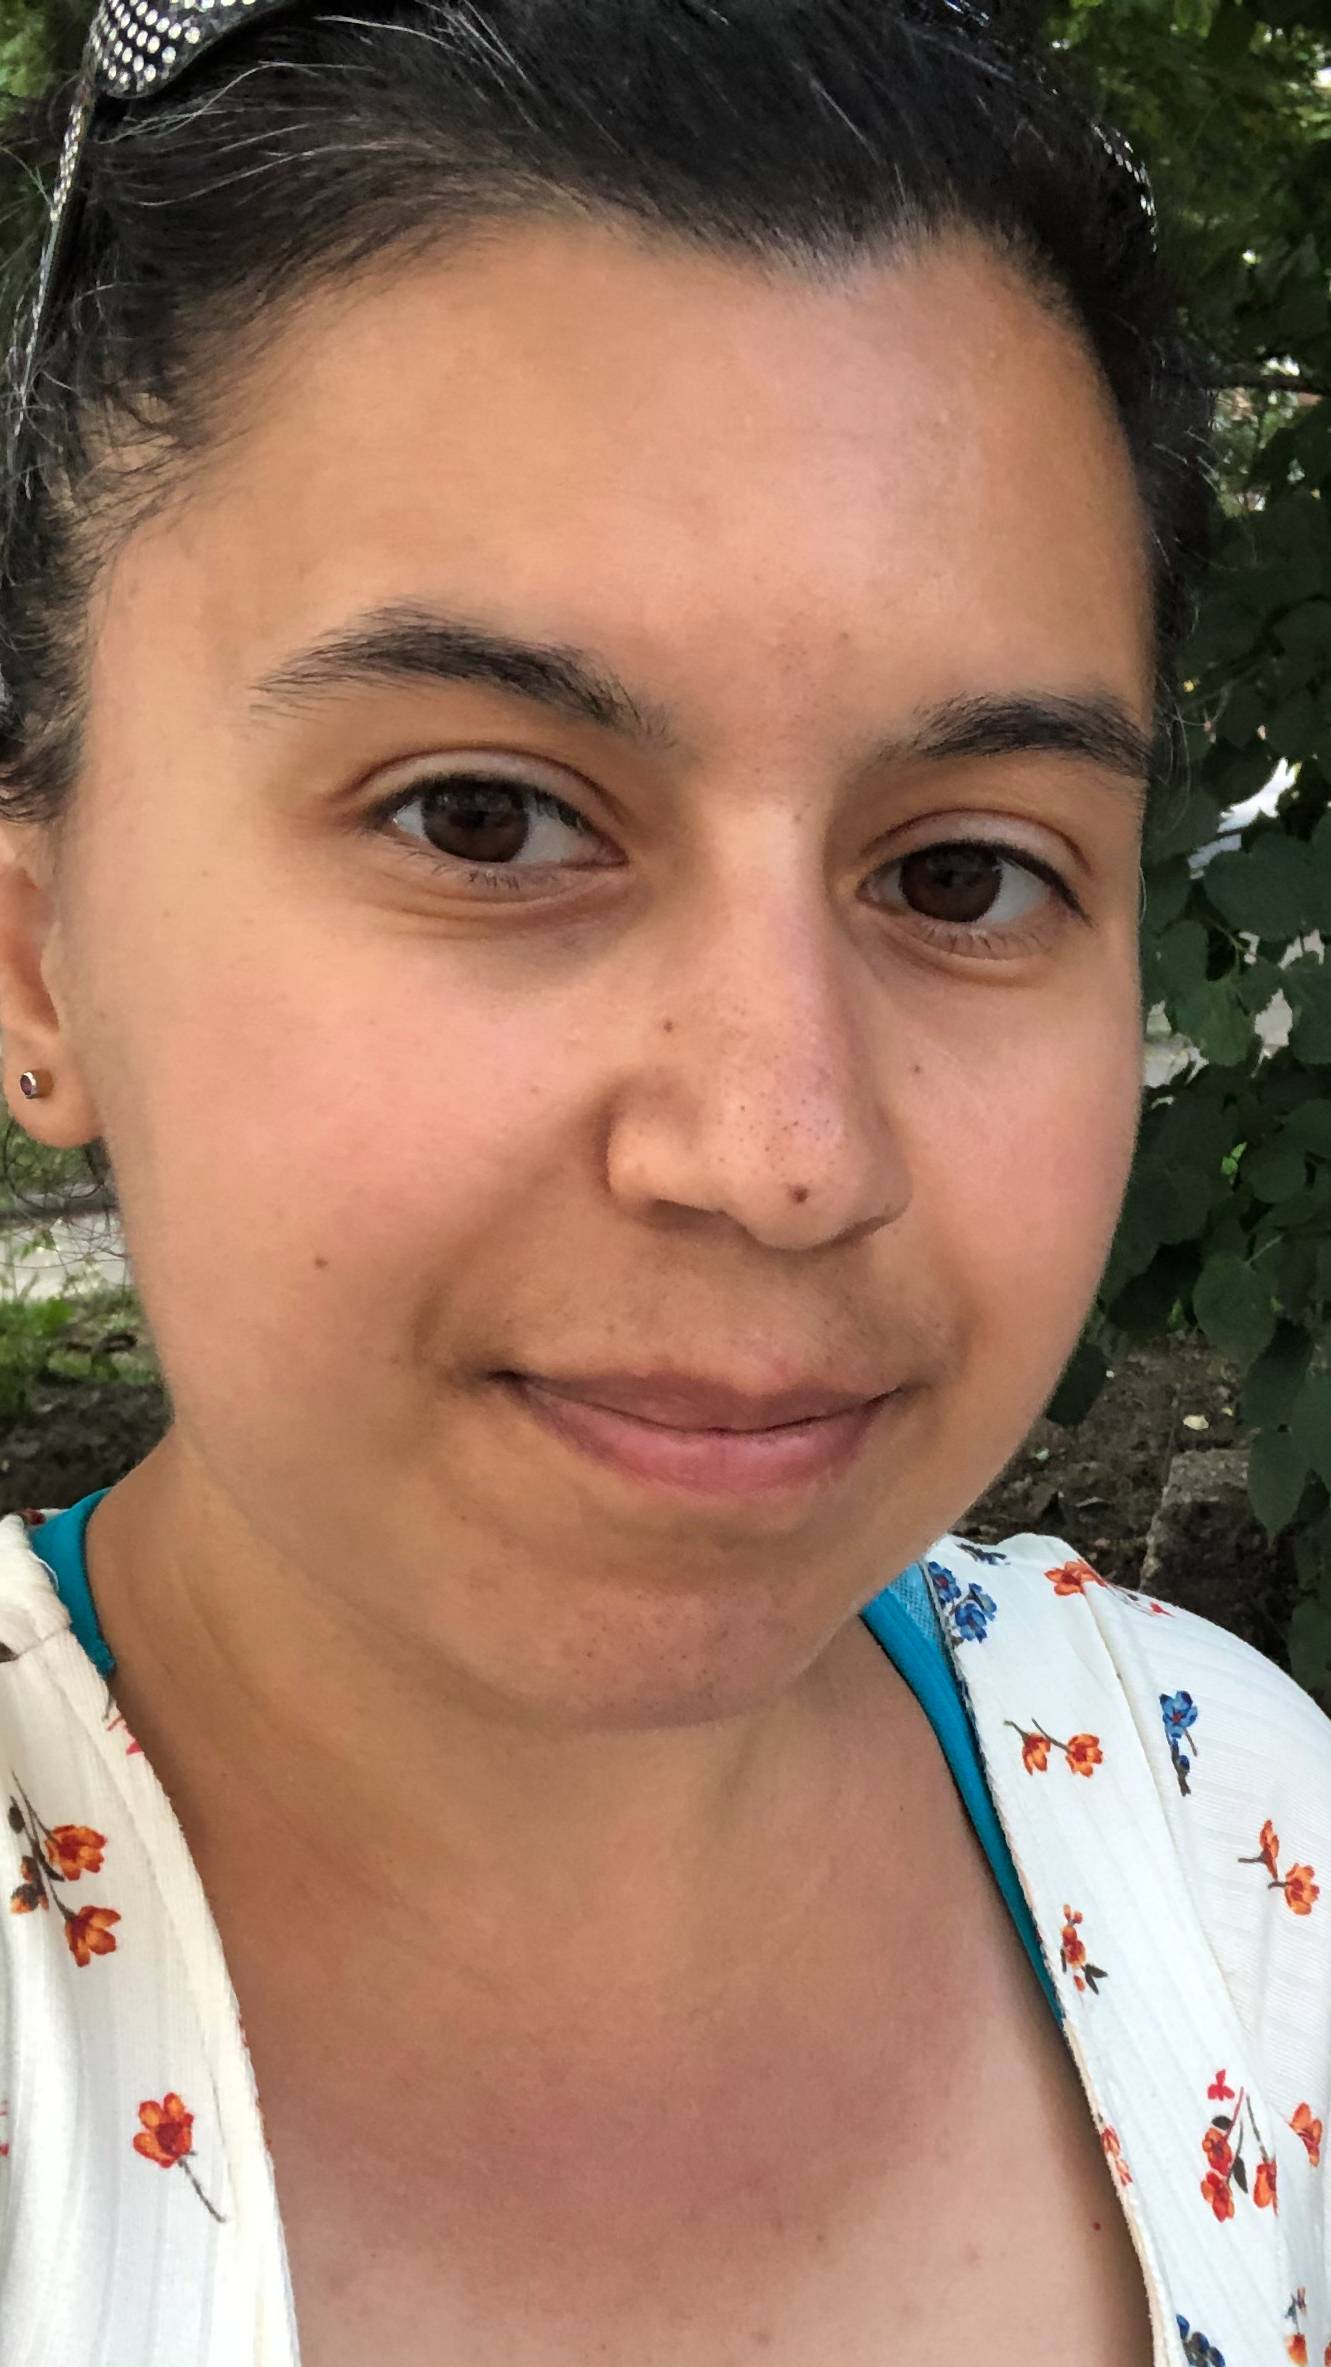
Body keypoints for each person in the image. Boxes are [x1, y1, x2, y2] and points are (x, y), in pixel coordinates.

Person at [0, 1, 1325, 2360]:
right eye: (484, 817)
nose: (783, 1152)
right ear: (37, 961)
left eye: (962, 872)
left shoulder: (1251, 1864)